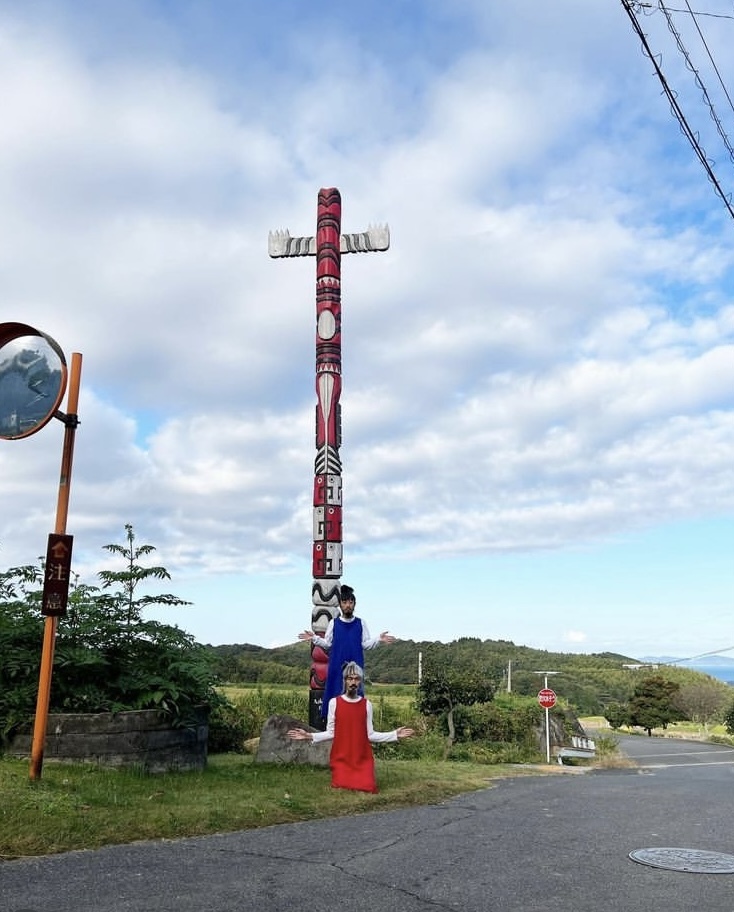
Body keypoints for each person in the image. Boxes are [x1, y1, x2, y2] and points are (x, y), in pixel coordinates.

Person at [287, 662, 414, 793]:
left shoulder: (367, 705)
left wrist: (394, 735)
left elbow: (370, 734)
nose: (353, 682)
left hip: (362, 758)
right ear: (345, 681)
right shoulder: (334, 703)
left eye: (357, 679)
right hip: (342, 758)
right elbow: (331, 733)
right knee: (341, 785)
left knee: (368, 787)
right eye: (350, 678)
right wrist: (309, 735)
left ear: (360, 682)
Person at [298, 584, 396, 717]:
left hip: (355, 670)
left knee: (355, 700)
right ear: (340, 604)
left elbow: (365, 644)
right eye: (345, 602)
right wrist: (314, 638)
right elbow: (327, 644)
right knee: (334, 702)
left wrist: (378, 639)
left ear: (354, 604)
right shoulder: (334, 623)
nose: (348, 605)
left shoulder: (361, 623)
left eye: (351, 602)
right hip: (336, 669)